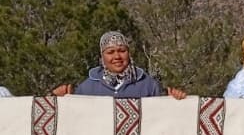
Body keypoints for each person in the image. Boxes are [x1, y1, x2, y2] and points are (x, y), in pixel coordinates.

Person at [52, 31, 186, 99]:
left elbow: (162, 120)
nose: (117, 56)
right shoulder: (86, 88)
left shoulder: (149, 85)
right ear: (102, 57)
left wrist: (175, 100)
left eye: (122, 51)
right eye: (110, 52)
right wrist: (57, 100)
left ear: (129, 53)